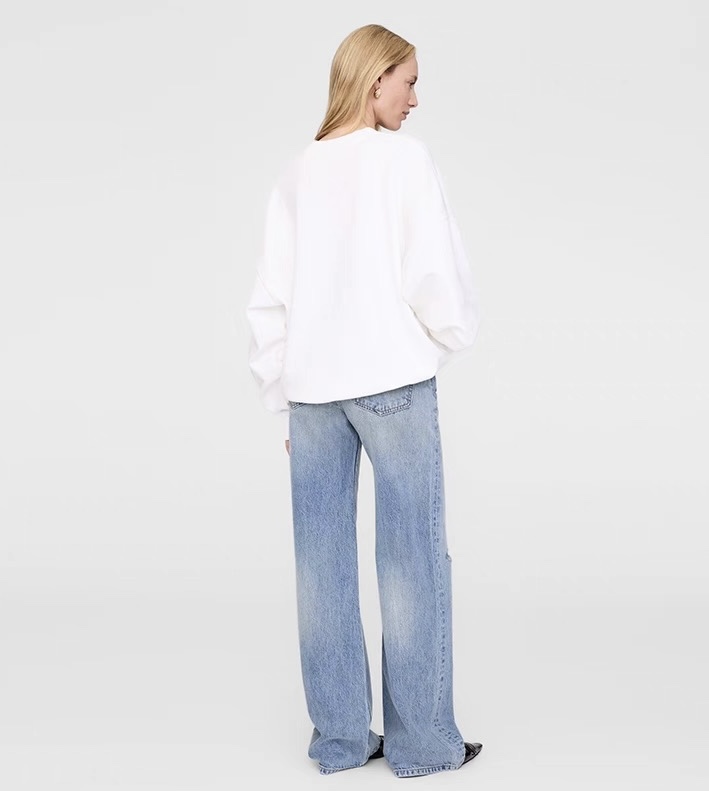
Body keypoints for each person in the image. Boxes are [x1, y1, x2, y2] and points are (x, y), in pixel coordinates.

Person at [245, 23, 483, 778]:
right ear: (375, 79)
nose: (415, 99)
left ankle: (341, 742)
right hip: (391, 385)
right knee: (412, 559)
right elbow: (433, 273)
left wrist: (283, 394)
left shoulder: (297, 171)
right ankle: (422, 745)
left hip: (313, 395)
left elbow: (270, 298)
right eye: (408, 81)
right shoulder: (402, 160)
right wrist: (442, 337)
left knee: (321, 568)